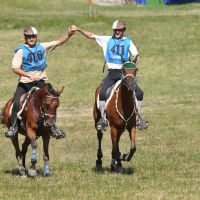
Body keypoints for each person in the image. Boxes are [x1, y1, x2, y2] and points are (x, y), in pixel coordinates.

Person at [70, 20, 148, 130]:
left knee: (139, 93)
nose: (117, 32)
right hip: (112, 73)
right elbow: (92, 36)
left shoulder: (128, 42)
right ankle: (103, 118)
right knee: (102, 93)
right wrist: (79, 29)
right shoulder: (106, 40)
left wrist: (131, 66)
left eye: (120, 30)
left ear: (123, 30)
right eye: (116, 30)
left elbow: (136, 55)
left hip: (125, 74)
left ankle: (137, 118)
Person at [5, 26, 74, 138]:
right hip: (25, 83)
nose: (31, 38)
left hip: (41, 82)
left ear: (36, 37)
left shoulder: (42, 47)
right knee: (17, 102)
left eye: (33, 36)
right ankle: (13, 127)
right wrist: (27, 75)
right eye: (29, 37)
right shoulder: (21, 51)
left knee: (52, 102)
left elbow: (58, 42)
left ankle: (53, 128)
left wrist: (69, 34)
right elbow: (15, 68)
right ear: (25, 37)